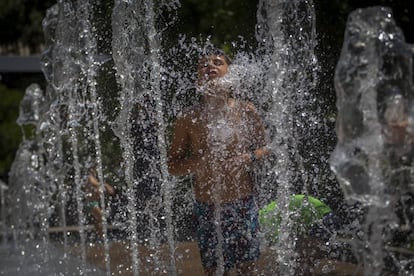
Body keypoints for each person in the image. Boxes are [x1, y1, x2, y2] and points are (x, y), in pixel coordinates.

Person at [168, 49, 268, 275]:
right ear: (197, 77)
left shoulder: (245, 110)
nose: (210, 66)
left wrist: (248, 157)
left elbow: (266, 147)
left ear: (229, 72)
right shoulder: (188, 118)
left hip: (242, 203)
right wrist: (198, 163)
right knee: (213, 270)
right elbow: (172, 165)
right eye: (203, 64)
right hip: (207, 207)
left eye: (217, 62)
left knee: (248, 270)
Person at [84, 165, 115, 237]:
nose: (96, 171)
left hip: (94, 203)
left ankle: (99, 234)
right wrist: (106, 185)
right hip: (91, 203)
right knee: (102, 217)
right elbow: (95, 184)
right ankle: (101, 235)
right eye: (94, 169)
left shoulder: (94, 178)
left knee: (98, 219)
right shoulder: (90, 177)